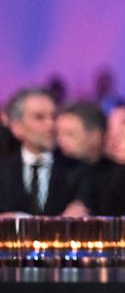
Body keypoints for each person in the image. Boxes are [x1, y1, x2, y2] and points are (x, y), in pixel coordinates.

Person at [0, 87, 90, 216]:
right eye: (39, 117)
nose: (50, 124)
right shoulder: (3, 170)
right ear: (17, 127)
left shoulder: (78, 170)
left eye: (54, 117)